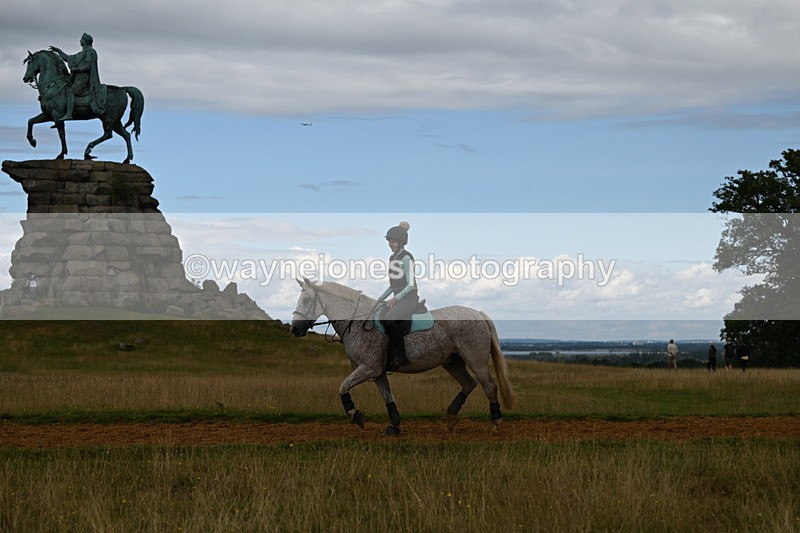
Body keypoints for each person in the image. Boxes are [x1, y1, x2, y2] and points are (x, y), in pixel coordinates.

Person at [378, 221, 420, 371]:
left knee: (389, 319)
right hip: (397, 297)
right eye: (389, 241)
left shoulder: (407, 258)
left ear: (401, 242)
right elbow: (393, 285)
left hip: (409, 298)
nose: (390, 244)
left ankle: (402, 356)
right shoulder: (392, 258)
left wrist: (395, 299)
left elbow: (410, 285)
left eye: (393, 241)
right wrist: (379, 299)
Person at [49, 33, 107, 120]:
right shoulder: (81, 53)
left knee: (71, 91)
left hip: (84, 79)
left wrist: (76, 70)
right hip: (77, 78)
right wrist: (59, 51)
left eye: (82, 39)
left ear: (86, 41)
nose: (80, 41)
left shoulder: (90, 52)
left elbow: (88, 66)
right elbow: (67, 58)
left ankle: (69, 114)